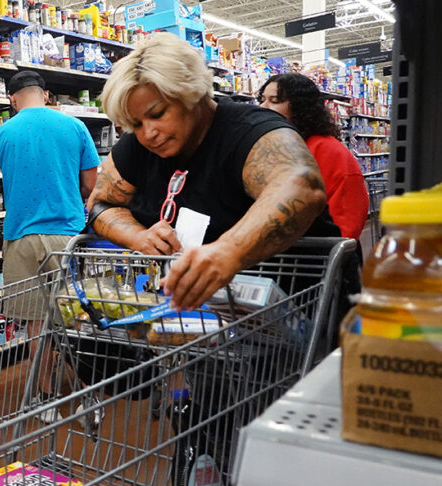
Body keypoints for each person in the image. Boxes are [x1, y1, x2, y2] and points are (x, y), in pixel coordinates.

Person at [85, 33, 340, 311]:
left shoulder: (250, 130)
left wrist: (229, 251)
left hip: (298, 310)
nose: (148, 133)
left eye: (158, 114)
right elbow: (101, 202)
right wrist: (139, 237)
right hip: (212, 322)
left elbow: (301, 186)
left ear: (190, 93)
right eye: (135, 124)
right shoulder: (138, 144)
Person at [0, 69, 100, 404]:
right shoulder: (76, 127)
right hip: (67, 239)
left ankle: (44, 393)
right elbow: (91, 186)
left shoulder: (3, 133)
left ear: (12, 100)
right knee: (75, 317)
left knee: (35, 323)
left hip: (21, 239)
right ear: (45, 95)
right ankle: (87, 388)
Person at [258, 73, 369, 239]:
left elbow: (347, 218)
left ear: (300, 107)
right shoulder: (275, 146)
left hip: (318, 255)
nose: (263, 107)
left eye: (274, 101)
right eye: (262, 99)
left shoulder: (329, 151)